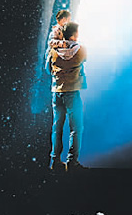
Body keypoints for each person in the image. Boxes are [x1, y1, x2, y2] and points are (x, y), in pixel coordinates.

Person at [46, 21, 87, 172]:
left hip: (56, 92)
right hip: (72, 92)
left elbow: (48, 69)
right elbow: (83, 60)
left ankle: (55, 161)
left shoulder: (53, 50)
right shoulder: (81, 50)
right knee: (76, 128)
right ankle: (72, 162)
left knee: (57, 127)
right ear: (75, 34)